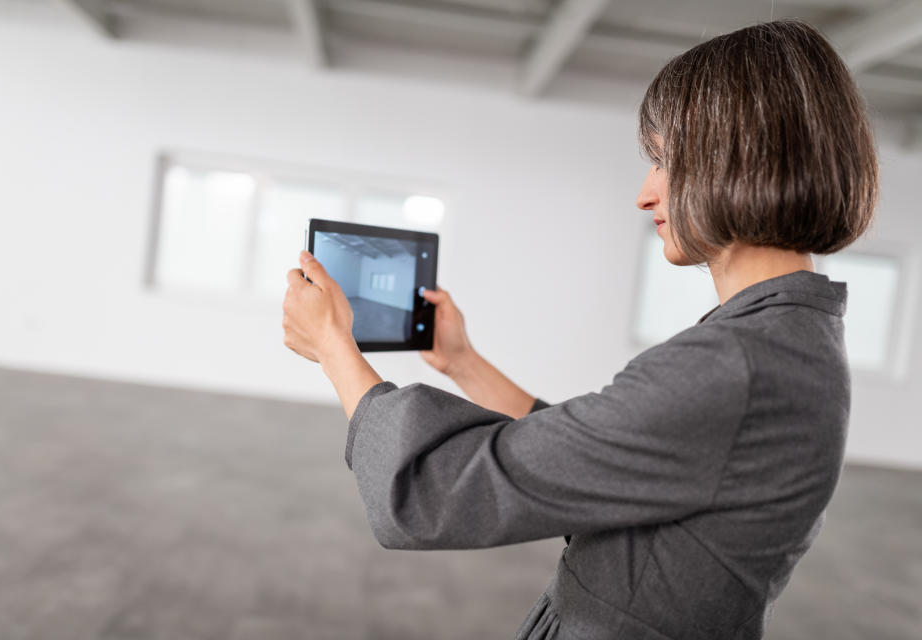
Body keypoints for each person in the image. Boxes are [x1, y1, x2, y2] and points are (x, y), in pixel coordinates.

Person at [281, 19, 878, 640]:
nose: (645, 195)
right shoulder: (791, 338)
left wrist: (333, 347)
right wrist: (461, 361)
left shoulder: (736, 363)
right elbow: (597, 460)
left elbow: (436, 494)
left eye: (665, 161)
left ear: (741, 160)